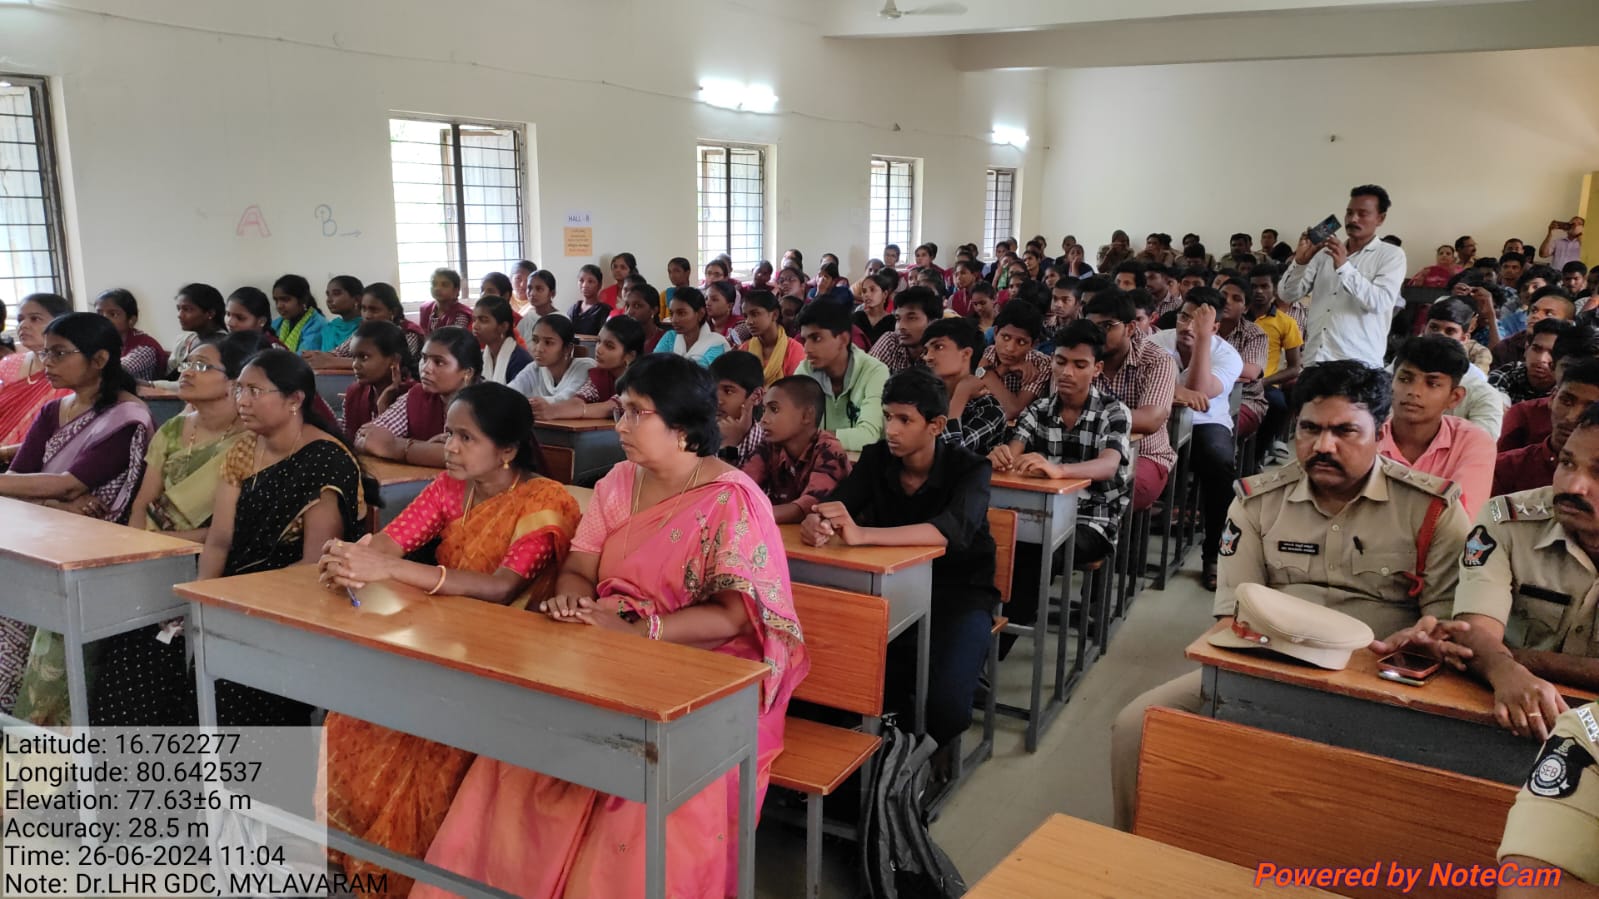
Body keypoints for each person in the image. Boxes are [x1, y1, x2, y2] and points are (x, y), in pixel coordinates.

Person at [414, 355, 808, 899]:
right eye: (620, 411)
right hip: (606, 645)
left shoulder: (732, 499)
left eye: (634, 414)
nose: (618, 425)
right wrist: (573, 604)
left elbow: (734, 617)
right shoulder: (620, 483)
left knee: (642, 802)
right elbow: (579, 567)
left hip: (710, 670)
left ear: (683, 427)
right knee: (521, 757)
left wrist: (644, 633)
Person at [1109, 360, 1472, 831]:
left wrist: (1419, 641)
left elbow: (1442, 623)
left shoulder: (1432, 510)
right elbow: (1232, 613)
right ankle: (1135, 849)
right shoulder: (1258, 501)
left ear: (1381, 432)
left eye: (1345, 431)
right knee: (1138, 724)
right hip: (1270, 660)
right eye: (1310, 429)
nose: (1323, 446)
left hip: (1382, 676)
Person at [318, 383, 582, 894]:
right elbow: (394, 542)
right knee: (352, 714)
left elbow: (502, 589)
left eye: (466, 438)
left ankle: (417, 872)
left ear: (506, 451)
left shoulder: (546, 501)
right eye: (448, 435)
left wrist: (391, 571)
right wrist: (355, 559)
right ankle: (360, 856)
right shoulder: (448, 487)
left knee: (427, 746)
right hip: (444, 639)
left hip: (509, 657)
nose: (451, 449)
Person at [802, 368, 995, 746]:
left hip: (957, 595)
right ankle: (890, 755)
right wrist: (816, 521)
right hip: (889, 594)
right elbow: (836, 504)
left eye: (905, 420)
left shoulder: (971, 468)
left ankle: (929, 751)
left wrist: (862, 536)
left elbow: (949, 530)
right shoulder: (877, 459)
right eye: (889, 417)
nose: (891, 429)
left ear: (936, 425)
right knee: (846, 685)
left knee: (945, 708)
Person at [199, 349, 368, 726]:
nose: (242, 401)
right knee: (153, 650)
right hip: (237, 592)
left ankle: (261, 783)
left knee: (235, 682)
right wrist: (202, 601)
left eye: (255, 391)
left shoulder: (324, 459)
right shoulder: (243, 449)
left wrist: (241, 605)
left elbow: (312, 566)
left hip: (293, 602)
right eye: (239, 389)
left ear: (294, 400)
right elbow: (219, 540)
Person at [0, 313, 154, 725]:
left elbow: (70, 484)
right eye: (45, 352)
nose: (46, 361)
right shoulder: (54, 411)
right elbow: (24, 481)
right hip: (38, 536)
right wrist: (57, 504)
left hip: (92, 552)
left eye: (59, 353)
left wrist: (57, 498)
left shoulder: (127, 417)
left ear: (100, 358)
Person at [1456, 403, 1599, 741]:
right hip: (1515, 715)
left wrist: (1514, 660)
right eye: (1567, 463)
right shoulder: (1506, 520)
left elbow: (1484, 649)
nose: (1573, 485)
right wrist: (1505, 671)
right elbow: (1473, 633)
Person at [990, 320, 1133, 638]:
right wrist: (1001, 458)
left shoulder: (1114, 411)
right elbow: (1013, 454)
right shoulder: (1038, 409)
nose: (1067, 372)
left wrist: (1060, 471)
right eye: (1060, 361)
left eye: (1079, 365)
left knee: (1041, 553)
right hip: (1038, 516)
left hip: (1092, 519)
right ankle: (984, 634)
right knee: (997, 543)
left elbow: (1108, 465)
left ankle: (995, 650)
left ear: (1096, 369)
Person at [1151, 288, 1244, 589]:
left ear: (1215, 327)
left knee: (1220, 465)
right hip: (1159, 420)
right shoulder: (1156, 342)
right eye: (1183, 317)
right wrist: (1177, 391)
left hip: (1207, 423)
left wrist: (1203, 341)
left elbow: (1200, 392)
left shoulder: (1228, 355)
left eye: (1198, 322)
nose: (1186, 326)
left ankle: (1214, 555)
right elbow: (1146, 383)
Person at [128, 333, 251, 539]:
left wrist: (162, 544)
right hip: (151, 543)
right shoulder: (173, 429)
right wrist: (135, 548)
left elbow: (236, 529)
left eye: (201, 366)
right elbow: (142, 505)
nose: (187, 373)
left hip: (215, 553)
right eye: (186, 365)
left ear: (233, 382)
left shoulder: (251, 439)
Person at [1277, 185, 1407, 368]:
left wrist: (1344, 267)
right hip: (1315, 360)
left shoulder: (1391, 255)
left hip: (1359, 363)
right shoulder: (1324, 253)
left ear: (1381, 218)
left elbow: (1380, 302)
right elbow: (1286, 295)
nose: (1353, 219)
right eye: (1349, 213)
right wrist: (1300, 262)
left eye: (1362, 214)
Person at [1379, 336, 1496, 519]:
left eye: (1432, 384)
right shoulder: (1365, 436)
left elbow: (1461, 519)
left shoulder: (1473, 442)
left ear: (1455, 397)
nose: (1414, 392)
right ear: (1390, 384)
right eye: (1405, 379)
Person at [1084, 289, 1177, 511]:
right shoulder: (1080, 355)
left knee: (1103, 492)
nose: (1097, 334)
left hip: (1142, 454)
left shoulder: (1157, 360)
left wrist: (1082, 417)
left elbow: (1149, 420)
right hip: (1083, 449)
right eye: (1092, 327)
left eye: (1107, 326)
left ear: (1130, 327)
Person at [357, 327, 481, 468]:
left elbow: (466, 456)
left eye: (439, 362)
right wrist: (426, 448)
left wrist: (398, 448)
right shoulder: (417, 395)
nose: (425, 368)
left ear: (467, 373)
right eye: (424, 358)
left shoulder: (486, 402)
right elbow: (365, 438)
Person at [741, 376, 852, 525]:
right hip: (785, 533)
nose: (764, 419)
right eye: (763, 410)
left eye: (774, 409)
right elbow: (742, 485)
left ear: (806, 415)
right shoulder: (770, 446)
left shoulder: (829, 450)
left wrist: (748, 515)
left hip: (827, 539)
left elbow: (809, 507)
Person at [1494, 357, 1599, 496]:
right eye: (1566, 401)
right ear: (1552, 398)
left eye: (1590, 408)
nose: (1571, 417)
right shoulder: (1505, 469)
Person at [794, 300, 890, 452]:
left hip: (862, 468)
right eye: (805, 340)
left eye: (816, 338)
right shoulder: (805, 370)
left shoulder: (875, 372)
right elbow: (794, 429)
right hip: (817, 465)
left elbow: (868, 436)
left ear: (843, 339)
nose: (807, 349)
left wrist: (813, 438)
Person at [920, 317, 1007, 456]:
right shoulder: (924, 398)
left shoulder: (989, 408)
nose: (928, 357)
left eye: (938, 347)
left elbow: (949, 456)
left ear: (966, 354)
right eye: (926, 350)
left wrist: (961, 395)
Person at [538, 316, 642, 420]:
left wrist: (556, 412)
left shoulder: (640, 379)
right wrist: (549, 408)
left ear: (630, 356)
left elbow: (611, 407)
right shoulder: (601, 375)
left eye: (609, 346)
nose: (599, 350)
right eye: (598, 341)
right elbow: (579, 399)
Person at [340, 321, 415, 443]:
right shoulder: (354, 393)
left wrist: (383, 406)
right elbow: (346, 441)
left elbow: (386, 446)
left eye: (364, 357)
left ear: (394, 360)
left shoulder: (413, 396)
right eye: (353, 357)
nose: (355, 365)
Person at [976, 300, 1051, 421]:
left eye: (1021, 342)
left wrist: (987, 373)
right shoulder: (992, 350)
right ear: (995, 333)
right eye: (1005, 337)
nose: (1010, 348)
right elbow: (974, 390)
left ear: (1033, 344)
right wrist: (1005, 367)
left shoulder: (1041, 364)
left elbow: (1013, 411)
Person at [510, 314, 597, 416]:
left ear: (567, 349)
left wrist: (527, 403)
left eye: (548, 342)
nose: (538, 348)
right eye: (535, 340)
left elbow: (566, 399)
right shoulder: (534, 368)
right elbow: (510, 392)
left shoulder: (585, 368)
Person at [1216, 278, 1268, 438]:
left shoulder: (1254, 333)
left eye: (1236, 299)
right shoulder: (1203, 326)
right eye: (1223, 295)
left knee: (1217, 431)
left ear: (1245, 308)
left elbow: (1251, 372)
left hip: (1244, 400)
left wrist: (1208, 363)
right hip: (1207, 396)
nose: (1227, 301)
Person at [89, 289, 166, 382]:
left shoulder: (145, 347)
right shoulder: (100, 343)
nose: (103, 319)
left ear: (131, 320)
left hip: (138, 396)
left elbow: (113, 372)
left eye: (113, 314)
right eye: (99, 313)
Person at [1492, 285, 1576, 369]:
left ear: (1568, 322)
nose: (1536, 315)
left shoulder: (1576, 352)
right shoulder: (1506, 347)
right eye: (1534, 310)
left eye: (1548, 313)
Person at [1491, 318, 1570, 405]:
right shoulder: (1507, 374)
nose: (1541, 359)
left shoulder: (1571, 387)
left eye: (1553, 353)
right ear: (1526, 348)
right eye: (1536, 349)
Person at [710, 351, 766, 469]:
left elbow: (725, 484)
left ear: (756, 396)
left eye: (728, 391)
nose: (717, 400)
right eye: (712, 390)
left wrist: (729, 446)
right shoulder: (701, 438)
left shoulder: (768, 444)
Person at [870, 286, 942, 375]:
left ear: (932, 322)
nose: (901, 326)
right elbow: (867, 378)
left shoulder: (943, 350)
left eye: (911, 318)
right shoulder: (891, 342)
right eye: (898, 319)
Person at [162, 283, 228, 378]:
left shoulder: (220, 345)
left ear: (210, 313)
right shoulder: (185, 339)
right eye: (179, 309)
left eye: (187, 309)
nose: (179, 315)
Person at [654, 286, 730, 367]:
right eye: (671, 314)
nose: (674, 320)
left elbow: (702, 375)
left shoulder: (716, 344)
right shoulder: (670, 337)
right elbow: (653, 366)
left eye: (681, 313)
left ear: (700, 314)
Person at [741, 291, 804, 386]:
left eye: (755, 314)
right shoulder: (745, 349)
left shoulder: (794, 350)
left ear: (775, 315)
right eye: (746, 316)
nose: (748, 322)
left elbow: (796, 389)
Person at [471, 295, 532, 385]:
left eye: (483, 320)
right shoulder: (481, 356)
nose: (475, 326)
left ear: (503, 327)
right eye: (474, 320)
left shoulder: (520, 360)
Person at [301, 275, 364, 362]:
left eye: (336, 294)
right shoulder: (329, 328)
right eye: (328, 295)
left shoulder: (365, 328)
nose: (329, 300)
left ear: (356, 299)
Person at [270, 274, 327, 353]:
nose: (279, 306)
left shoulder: (317, 325)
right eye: (276, 300)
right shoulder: (278, 323)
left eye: (285, 299)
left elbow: (304, 358)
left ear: (303, 300)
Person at [513, 270, 561, 346]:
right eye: (529, 288)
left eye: (539, 289)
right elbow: (515, 344)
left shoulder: (560, 319)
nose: (532, 293)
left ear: (552, 293)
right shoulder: (528, 318)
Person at [420, 268, 473, 334]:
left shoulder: (461, 314)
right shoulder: (425, 308)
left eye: (444, 285)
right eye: (434, 284)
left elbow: (454, 341)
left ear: (456, 290)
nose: (437, 288)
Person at [619, 281, 666, 354]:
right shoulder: (621, 338)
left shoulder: (666, 339)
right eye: (627, 305)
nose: (629, 312)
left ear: (654, 310)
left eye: (637, 306)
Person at [855, 268, 897, 346]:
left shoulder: (893, 321)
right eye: (864, 291)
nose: (867, 294)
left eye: (872, 290)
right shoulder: (857, 317)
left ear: (884, 294)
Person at [566, 264, 612, 336]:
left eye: (590, 281)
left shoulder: (605, 311)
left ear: (599, 285)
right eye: (581, 280)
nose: (584, 285)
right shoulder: (573, 309)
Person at [705, 279, 749, 346]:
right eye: (706, 298)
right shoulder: (702, 324)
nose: (707, 303)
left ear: (729, 306)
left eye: (714, 300)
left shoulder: (740, 326)